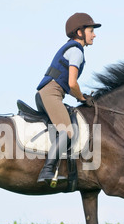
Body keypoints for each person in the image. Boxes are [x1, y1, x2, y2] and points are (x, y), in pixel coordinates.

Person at [36, 12, 101, 184]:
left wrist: (80, 97)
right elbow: (72, 84)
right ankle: (47, 171)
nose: (94, 34)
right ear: (80, 32)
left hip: (49, 92)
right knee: (68, 132)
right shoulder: (76, 51)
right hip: (51, 94)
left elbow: (67, 84)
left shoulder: (71, 48)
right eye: (91, 30)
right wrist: (81, 98)